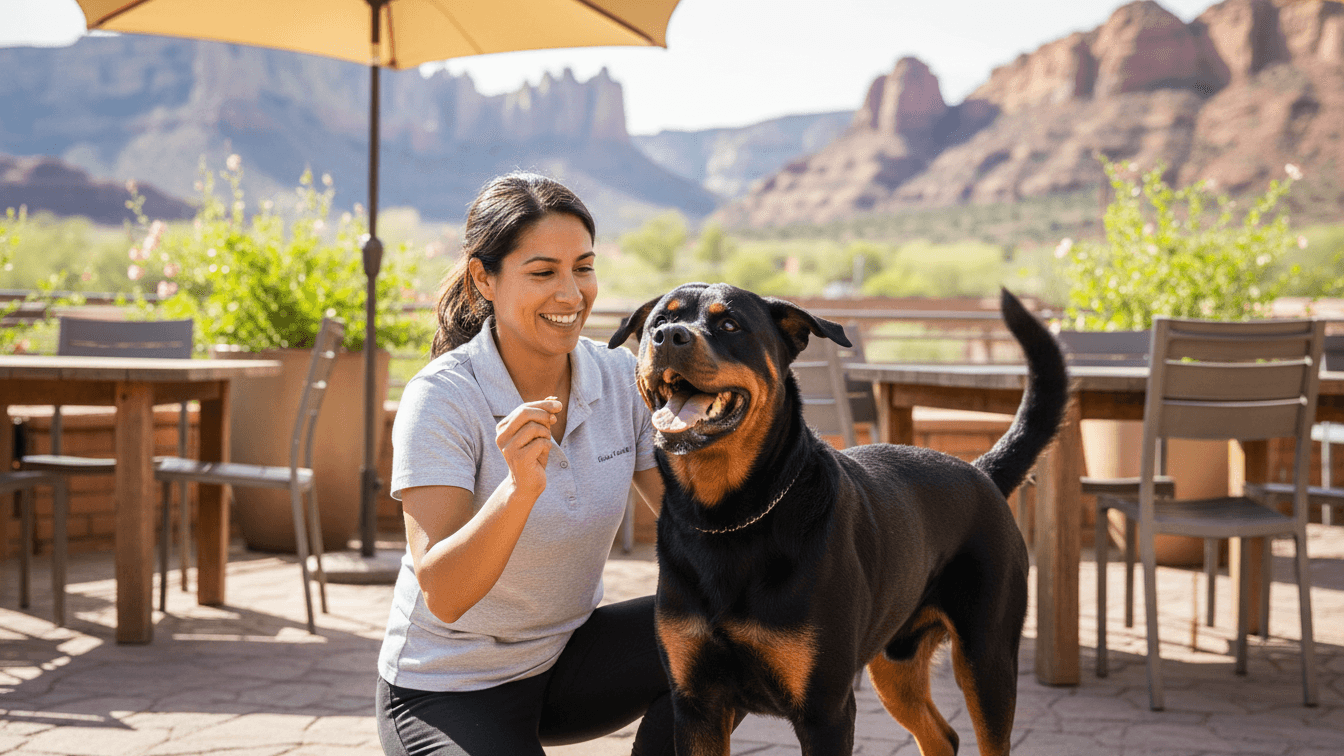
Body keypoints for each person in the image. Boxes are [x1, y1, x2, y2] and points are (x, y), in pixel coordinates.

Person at [375, 173, 670, 755]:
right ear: (484, 278)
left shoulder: (618, 377)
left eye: (582, 268)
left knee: (724, 634)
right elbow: (446, 593)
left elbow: (695, 519)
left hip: (568, 662)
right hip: (447, 687)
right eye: (543, 273)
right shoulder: (443, 397)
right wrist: (518, 490)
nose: (571, 294)